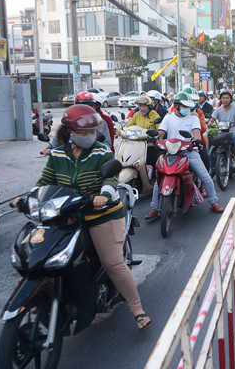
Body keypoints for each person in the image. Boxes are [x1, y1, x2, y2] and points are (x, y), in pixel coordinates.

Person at [13, 105, 152, 330]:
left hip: (102, 214)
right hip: (67, 214)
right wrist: (26, 198)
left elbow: (111, 179)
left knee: (112, 263)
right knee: (41, 255)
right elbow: (45, 182)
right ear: (69, 132)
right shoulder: (58, 155)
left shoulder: (101, 152)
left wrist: (104, 195)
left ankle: (137, 309)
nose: (90, 136)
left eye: (92, 131)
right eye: (84, 132)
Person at [156, 94, 224, 213]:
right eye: (184, 106)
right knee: (159, 179)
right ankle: (154, 208)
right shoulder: (168, 118)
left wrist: (197, 140)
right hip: (170, 153)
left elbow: (196, 133)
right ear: (176, 105)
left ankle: (213, 202)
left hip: (189, 152)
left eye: (189, 106)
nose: (187, 108)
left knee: (205, 177)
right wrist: (155, 139)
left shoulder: (193, 118)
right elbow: (160, 133)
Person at [208, 91, 235, 175]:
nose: (225, 100)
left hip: (234, 133)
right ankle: (213, 170)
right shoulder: (218, 110)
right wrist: (210, 124)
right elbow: (212, 120)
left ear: (231, 99)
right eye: (223, 98)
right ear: (220, 99)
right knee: (211, 152)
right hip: (222, 134)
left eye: (227, 98)